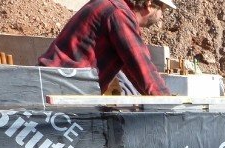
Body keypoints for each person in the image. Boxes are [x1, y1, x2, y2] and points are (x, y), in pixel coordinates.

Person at [38, 0, 173, 95]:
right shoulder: (119, 14)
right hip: (63, 89)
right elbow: (142, 66)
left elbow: (132, 69)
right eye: (162, 10)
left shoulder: (110, 5)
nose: (162, 17)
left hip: (52, 84)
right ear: (149, 4)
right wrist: (169, 103)